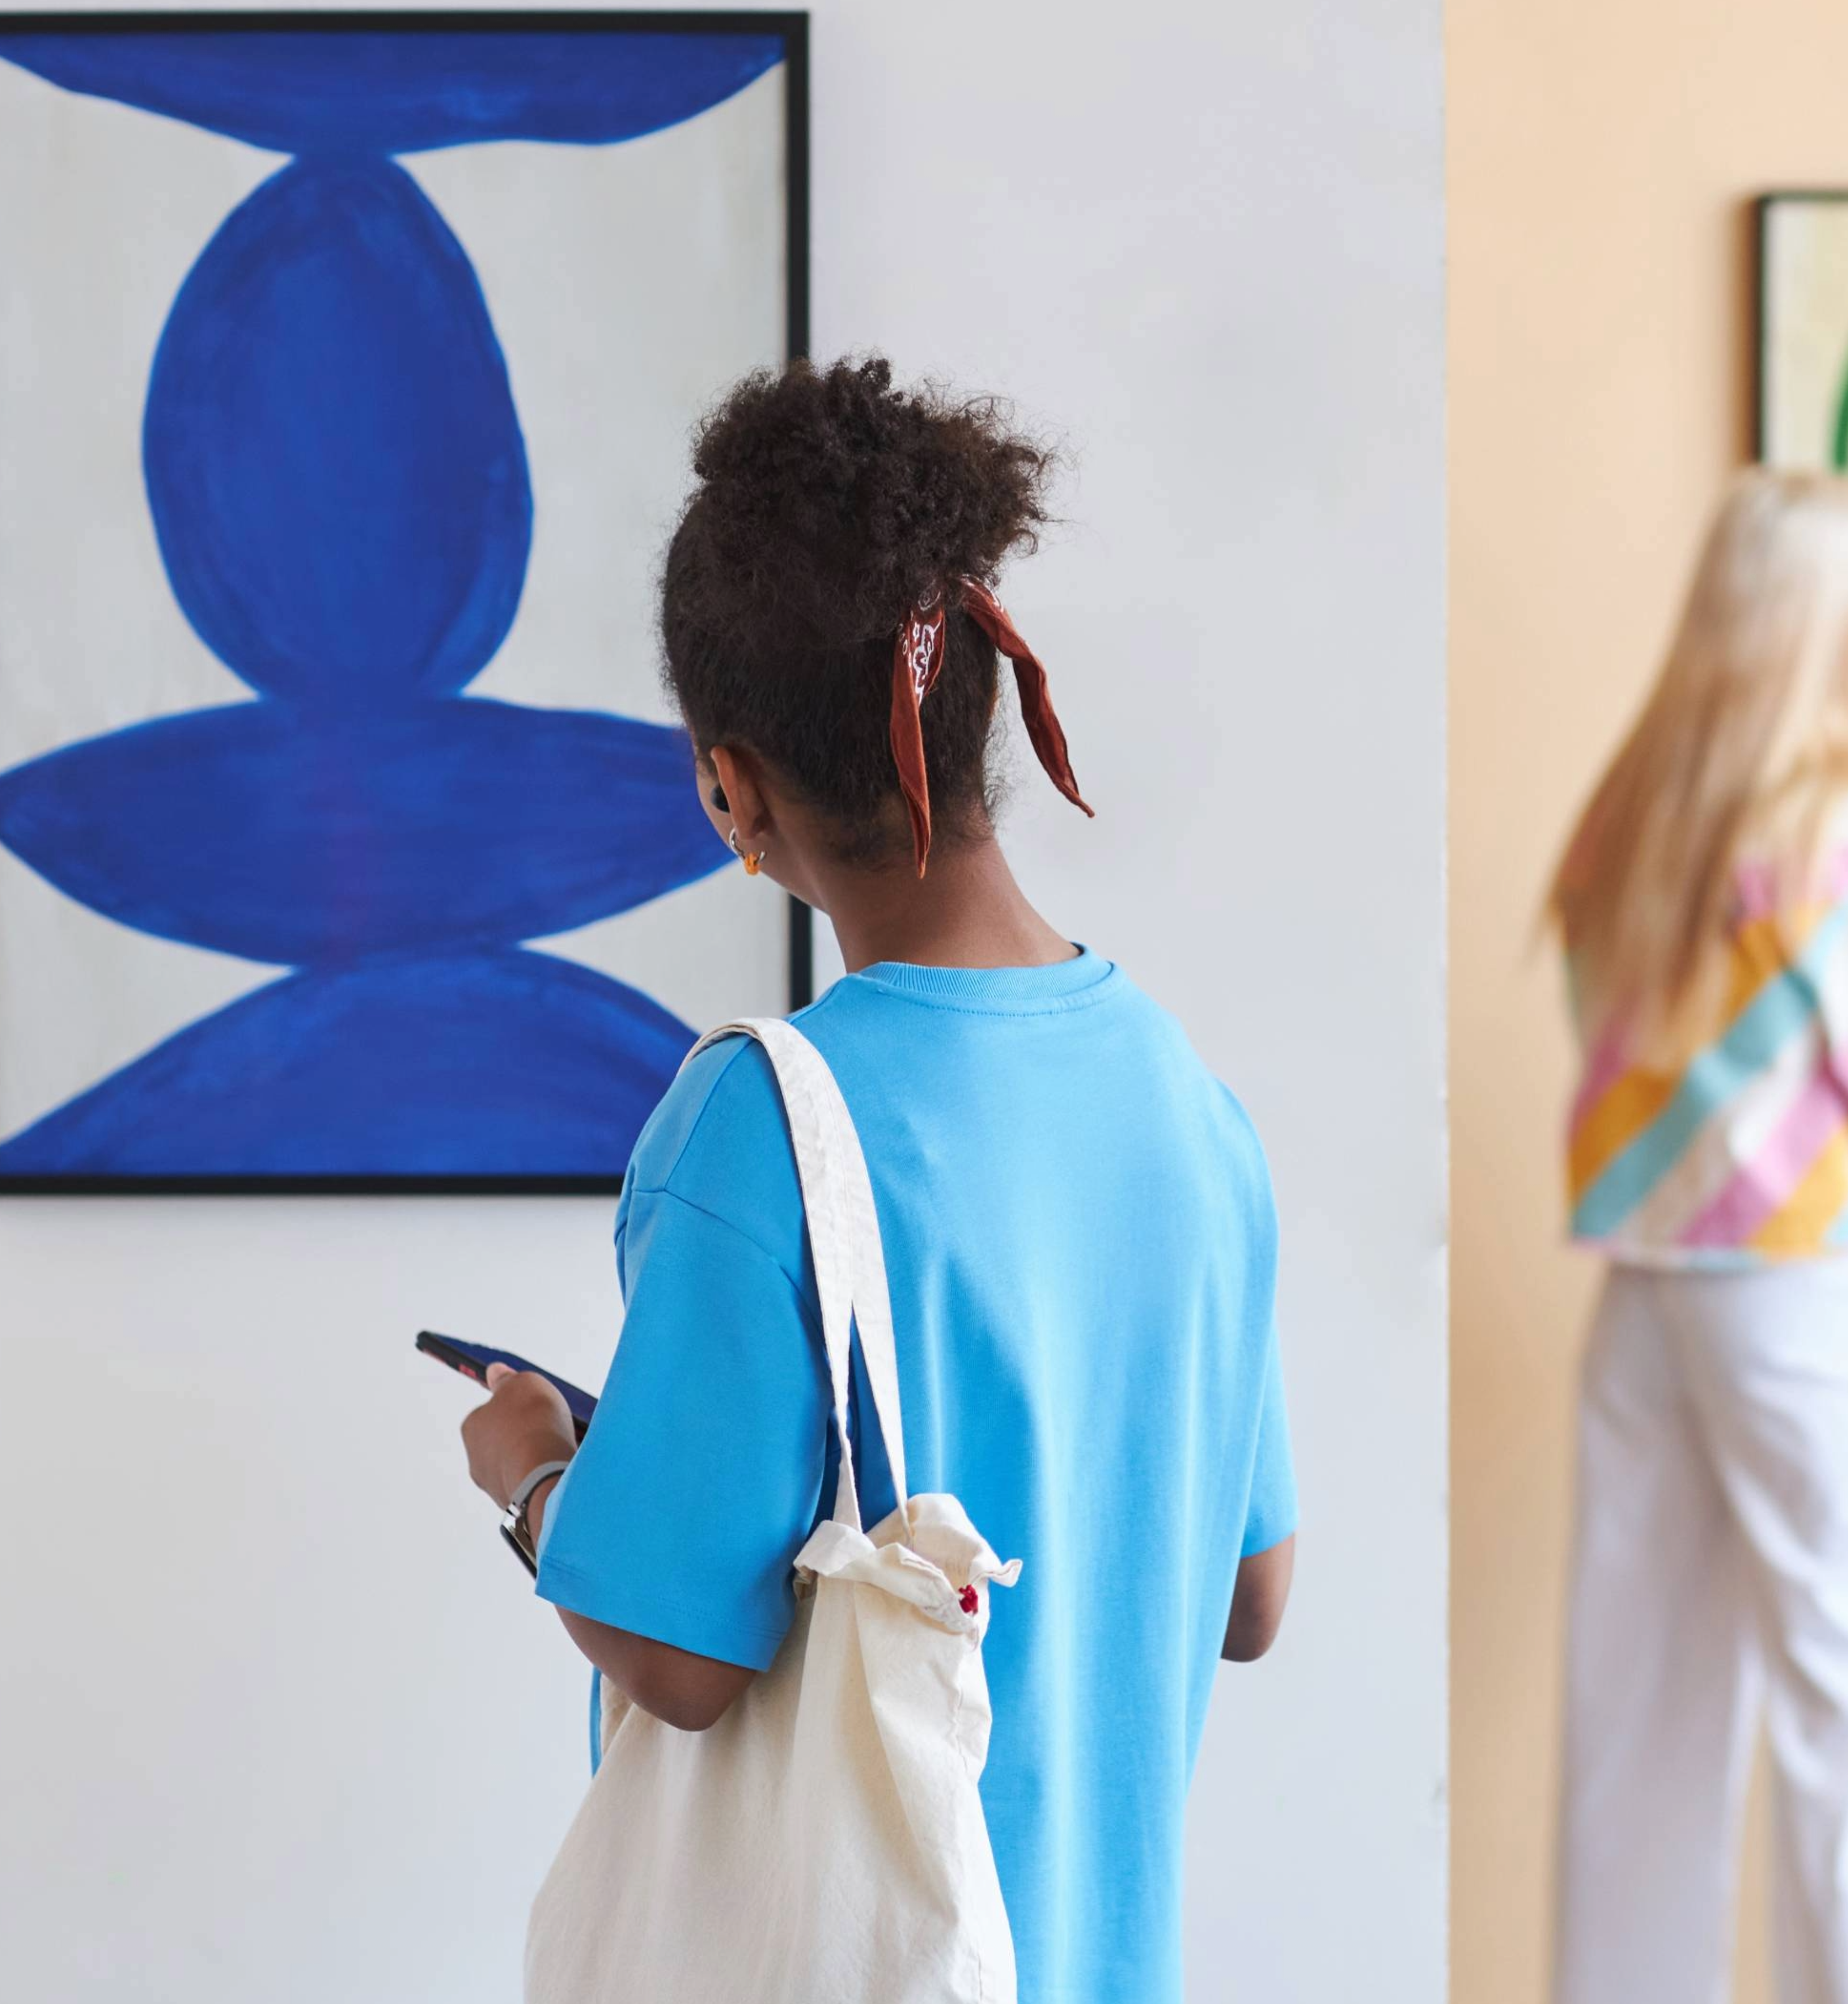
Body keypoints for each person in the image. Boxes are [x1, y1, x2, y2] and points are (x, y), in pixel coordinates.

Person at [455, 357, 1297, 2004]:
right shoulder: (1190, 1106)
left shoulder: (758, 1123)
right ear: (993, 700)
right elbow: (1250, 1598)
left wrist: (536, 1481)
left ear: (729, 787)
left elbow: (685, 1661)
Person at [1545, 469, 1848, 2004]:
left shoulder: (1639, 822)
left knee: (1642, 1719)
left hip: (1653, 1292)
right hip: (1815, 1299)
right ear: (1837, 632)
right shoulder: (1847, 834)